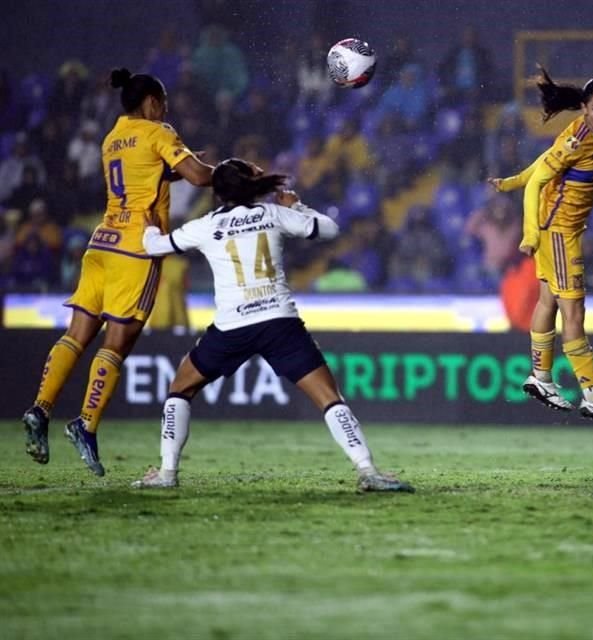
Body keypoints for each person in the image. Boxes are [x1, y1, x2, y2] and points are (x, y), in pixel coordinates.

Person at [132, 158, 413, 493]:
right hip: (279, 322)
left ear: (218, 192)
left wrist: (148, 224)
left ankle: (167, 473)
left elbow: (153, 247)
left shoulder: (205, 226)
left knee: (180, 389)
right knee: (329, 397)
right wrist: (298, 205)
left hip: (232, 326)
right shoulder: (273, 214)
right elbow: (329, 229)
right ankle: (368, 471)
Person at [21, 68, 214, 475]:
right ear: (151, 102)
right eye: (163, 102)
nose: (166, 109)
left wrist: (176, 167)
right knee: (117, 343)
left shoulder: (112, 138)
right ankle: (86, 424)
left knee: (76, 335)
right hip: (136, 249)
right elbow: (197, 176)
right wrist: (230, 172)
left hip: (100, 244)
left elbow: (153, 172)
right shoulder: (159, 131)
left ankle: (41, 409)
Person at [489, 65, 593, 422]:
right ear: (585, 109)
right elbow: (539, 182)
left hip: (561, 229)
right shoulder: (581, 138)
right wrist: (529, 234)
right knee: (575, 314)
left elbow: (545, 161)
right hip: (558, 232)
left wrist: (511, 180)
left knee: (547, 303)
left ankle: (540, 378)